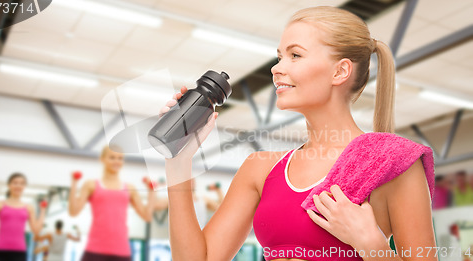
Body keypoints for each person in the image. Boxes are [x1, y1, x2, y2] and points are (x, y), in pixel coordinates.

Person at [160, 6, 437, 261]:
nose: (276, 68)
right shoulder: (259, 169)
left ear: (340, 71)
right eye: (280, 56)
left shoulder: (392, 163)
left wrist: (373, 246)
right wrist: (178, 163)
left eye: (295, 55)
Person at [68, 146, 156, 261]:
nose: (117, 161)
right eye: (112, 157)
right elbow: (73, 212)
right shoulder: (91, 185)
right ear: (102, 159)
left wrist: (151, 191)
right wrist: (74, 184)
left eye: (120, 158)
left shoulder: (129, 188)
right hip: (95, 249)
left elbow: (147, 216)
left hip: (121, 251)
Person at [0, 173, 46, 261]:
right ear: (9, 185)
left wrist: (43, 210)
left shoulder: (29, 207)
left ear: (25, 186)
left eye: (22, 183)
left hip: (19, 252)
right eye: (15, 182)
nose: (18, 185)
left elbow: (36, 230)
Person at [153, 179, 224, 228]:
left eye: (192, 180)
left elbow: (223, 209)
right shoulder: (175, 199)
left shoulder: (203, 199)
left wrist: (218, 190)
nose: (191, 181)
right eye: (188, 180)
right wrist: (156, 186)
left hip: (199, 238)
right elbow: (154, 205)